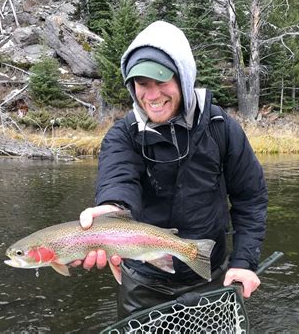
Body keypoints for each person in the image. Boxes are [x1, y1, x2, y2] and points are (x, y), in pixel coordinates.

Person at [72, 20, 268, 318]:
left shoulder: (221, 129)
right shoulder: (122, 136)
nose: (152, 95)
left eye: (161, 81)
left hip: (210, 275)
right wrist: (111, 209)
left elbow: (250, 199)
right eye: (142, 84)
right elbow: (119, 181)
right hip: (143, 281)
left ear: (184, 78)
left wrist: (243, 262)